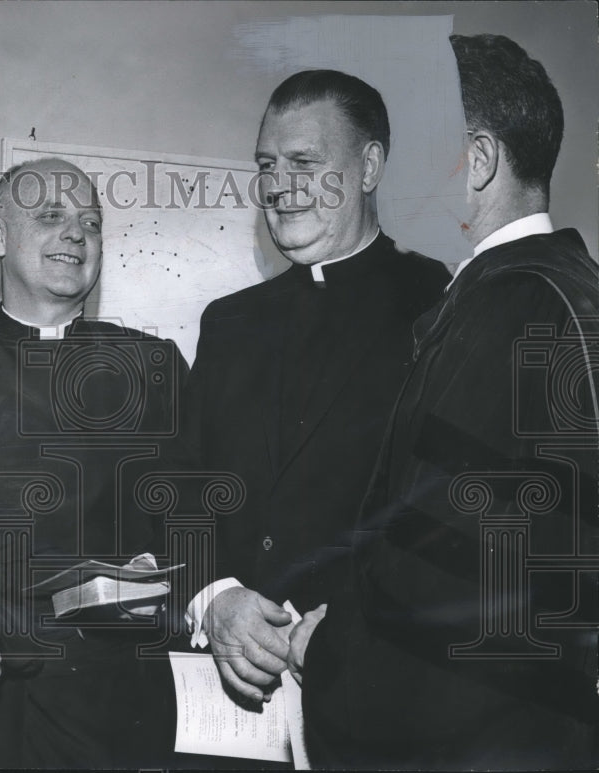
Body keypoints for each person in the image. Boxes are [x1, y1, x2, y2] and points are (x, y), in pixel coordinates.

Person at [290, 35, 598, 768]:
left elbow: (442, 597)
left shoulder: (509, 314)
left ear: (480, 162)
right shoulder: (565, 292)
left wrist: (321, 648)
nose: (374, 179)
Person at [0, 158, 187, 768]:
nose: (76, 234)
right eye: (50, 217)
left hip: (117, 700)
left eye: (90, 221)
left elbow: (190, 531)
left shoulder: (152, 367)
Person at [183, 70, 450, 704]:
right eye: (267, 164)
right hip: (228, 702)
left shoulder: (440, 306)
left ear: (369, 167)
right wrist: (214, 597)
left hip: (376, 693)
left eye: (304, 162)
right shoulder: (229, 322)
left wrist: (359, 621)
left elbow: (457, 512)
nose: (279, 187)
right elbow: (180, 485)